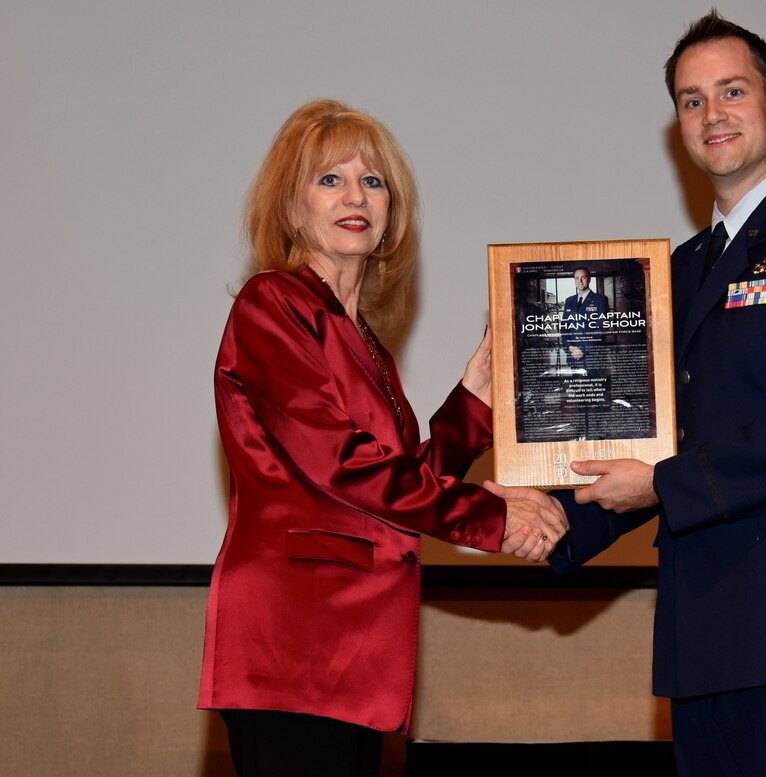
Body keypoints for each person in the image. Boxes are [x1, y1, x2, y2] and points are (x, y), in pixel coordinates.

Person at [533, 10, 766, 776]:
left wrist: (660, 484)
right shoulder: (672, 272)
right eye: (691, 99)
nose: (712, 113)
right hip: (702, 640)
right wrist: (546, 522)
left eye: (732, 91)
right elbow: (648, 439)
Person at [198, 99, 566, 777]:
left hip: (356, 648)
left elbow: (394, 480)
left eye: (374, 181)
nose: (355, 195)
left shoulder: (364, 343)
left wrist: (474, 400)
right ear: (291, 206)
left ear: (391, 212)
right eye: (329, 179)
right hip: (294, 642)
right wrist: (492, 514)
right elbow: (344, 466)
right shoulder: (271, 305)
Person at [560, 266, 609, 367]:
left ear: (589, 279)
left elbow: (601, 328)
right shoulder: (569, 301)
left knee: (597, 382)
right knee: (574, 382)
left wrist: (582, 349)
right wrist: (569, 347)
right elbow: (564, 327)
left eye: (583, 277)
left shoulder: (600, 300)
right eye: (577, 278)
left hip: (592, 356)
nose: (580, 281)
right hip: (573, 354)